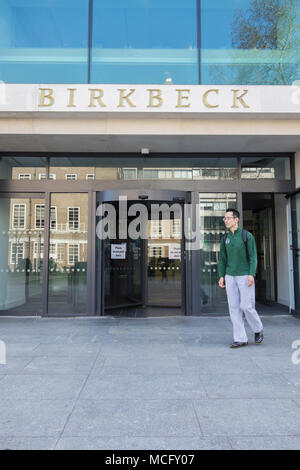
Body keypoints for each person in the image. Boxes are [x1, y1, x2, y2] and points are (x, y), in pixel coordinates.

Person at [218, 208, 264, 348]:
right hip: (230, 276)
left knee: (246, 306)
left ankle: (257, 329)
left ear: (236, 219)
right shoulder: (225, 238)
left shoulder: (246, 236)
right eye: (224, 218)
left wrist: (251, 274)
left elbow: (253, 257)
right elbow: (222, 259)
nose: (225, 220)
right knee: (233, 308)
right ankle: (240, 338)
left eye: (228, 218)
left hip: (244, 275)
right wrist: (221, 276)